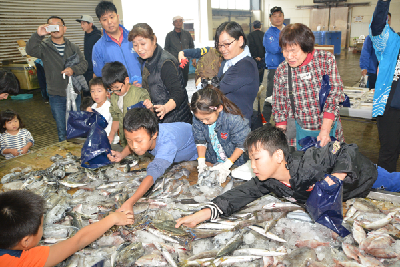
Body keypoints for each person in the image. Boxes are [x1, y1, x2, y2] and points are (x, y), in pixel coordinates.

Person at [175, 125, 400, 228]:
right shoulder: (269, 179)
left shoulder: (309, 162)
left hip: (364, 177)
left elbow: (346, 149)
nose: (253, 166)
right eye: (250, 160)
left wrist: (337, 178)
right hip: (344, 197)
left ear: (279, 155)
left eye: (257, 159)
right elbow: (241, 193)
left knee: (394, 183)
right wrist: (203, 214)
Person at [0, 190, 133, 267]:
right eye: (42, 225)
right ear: (26, 241)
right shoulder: (20, 262)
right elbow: (78, 241)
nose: (43, 227)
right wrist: (113, 219)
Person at [272, 23, 345, 150]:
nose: (289, 56)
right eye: (285, 50)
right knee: (300, 166)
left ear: (306, 47)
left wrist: (325, 130)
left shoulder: (325, 60)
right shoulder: (282, 70)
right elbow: (279, 107)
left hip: (329, 130)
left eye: (293, 51)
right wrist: (279, 141)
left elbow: (334, 96)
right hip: (297, 135)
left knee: (333, 164)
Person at [116, 108, 197, 214]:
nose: (134, 146)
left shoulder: (167, 143)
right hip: (176, 155)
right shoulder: (147, 133)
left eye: (139, 141)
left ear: (154, 134)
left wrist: (130, 202)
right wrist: (122, 155)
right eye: (129, 140)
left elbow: (155, 170)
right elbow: (133, 139)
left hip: (198, 156)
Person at [178, 21, 259, 122]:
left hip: (237, 124)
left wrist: (201, 82)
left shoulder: (246, 66)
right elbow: (203, 51)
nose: (222, 49)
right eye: (220, 45)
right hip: (223, 121)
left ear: (240, 40)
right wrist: (183, 53)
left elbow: (218, 89)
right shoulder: (228, 61)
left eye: (227, 44)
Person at [26, 16, 88, 142]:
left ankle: (77, 153)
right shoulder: (43, 47)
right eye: (51, 26)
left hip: (75, 93)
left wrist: (73, 69)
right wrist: (38, 35)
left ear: (64, 29)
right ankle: (65, 157)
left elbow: (84, 64)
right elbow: (30, 50)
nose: (55, 28)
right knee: (62, 130)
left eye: (58, 25)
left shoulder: (73, 47)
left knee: (76, 127)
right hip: (56, 95)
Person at [128, 23, 192, 124]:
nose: (139, 49)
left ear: (154, 39)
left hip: (175, 121)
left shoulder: (166, 63)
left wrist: (165, 108)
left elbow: (178, 94)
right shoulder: (146, 60)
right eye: (135, 45)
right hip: (161, 119)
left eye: (143, 44)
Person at [191, 85, 251, 184]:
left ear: (219, 108)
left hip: (236, 163)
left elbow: (242, 144)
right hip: (213, 160)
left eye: (207, 119)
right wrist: (201, 162)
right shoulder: (198, 117)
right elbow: (200, 140)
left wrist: (227, 165)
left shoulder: (233, 120)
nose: (204, 122)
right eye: (200, 119)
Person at [369, 0, 400, 172]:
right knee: (389, 150)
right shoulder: (392, 43)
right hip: (391, 107)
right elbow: (378, 26)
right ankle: (384, 189)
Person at [101, 62, 150, 151]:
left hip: (140, 142)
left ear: (127, 80)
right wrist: (111, 135)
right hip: (125, 141)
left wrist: (150, 107)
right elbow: (116, 118)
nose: (115, 92)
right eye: (111, 90)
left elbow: (150, 117)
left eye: (117, 88)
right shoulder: (114, 98)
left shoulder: (140, 94)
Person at [92, 1, 141, 85]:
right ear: (100, 22)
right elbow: (100, 76)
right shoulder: (98, 48)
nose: (109, 22)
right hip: (119, 94)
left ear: (117, 17)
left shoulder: (134, 37)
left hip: (143, 89)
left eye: (112, 17)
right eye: (104, 19)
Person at [262, 6, 286, 124]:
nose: (277, 18)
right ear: (270, 18)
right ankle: (264, 121)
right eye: (274, 16)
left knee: (288, 95)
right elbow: (275, 49)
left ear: (283, 17)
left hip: (290, 68)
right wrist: (291, 48)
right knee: (270, 97)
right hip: (275, 69)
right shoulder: (269, 34)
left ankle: (286, 121)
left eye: (279, 15)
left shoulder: (289, 30)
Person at [164, 16, 195, 88]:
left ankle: (183, 94)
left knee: (185, 79)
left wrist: (193, 58)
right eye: (176, 21)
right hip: (174, 62)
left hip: (185, 62)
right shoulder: (169, 36)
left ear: (182, 23)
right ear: (173, 23)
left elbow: (192, 46)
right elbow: (166, 49)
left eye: (180, 21)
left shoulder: (187, 34)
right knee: (175, 80)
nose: (178, 23)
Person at [87, 77, 118, 144]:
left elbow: (101, 123)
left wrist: (90, 115)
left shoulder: (108, 106)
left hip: (109, 142)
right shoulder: (94, 106)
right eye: (92, 91)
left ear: (107, 93)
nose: (95, 94)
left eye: (99, 91)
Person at [76, 15, 102, 89]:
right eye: (81, 23)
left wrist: (96, 72)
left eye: (84, 23)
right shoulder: (87, 34)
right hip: (87, 68)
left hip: (94, 71)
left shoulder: (97, 36)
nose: (81, 26)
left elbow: (99, 55)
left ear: (90, 24)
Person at [247, 20, 265, 85]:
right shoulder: (264, 35)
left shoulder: (250, 35)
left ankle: (254, 90)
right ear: (260, 26)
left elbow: (250, 46)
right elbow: (265, 47)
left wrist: (255, 56)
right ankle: (259, 87)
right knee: (261, 75)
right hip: (262, 58)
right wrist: (261, 56)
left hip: (254, 59)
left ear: (253, 27)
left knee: (253, 75)